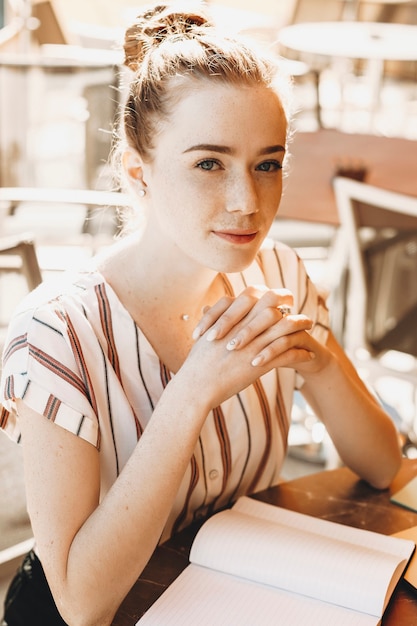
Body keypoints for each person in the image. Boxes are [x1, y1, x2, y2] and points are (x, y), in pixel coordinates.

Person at [0, 3, 401, 625]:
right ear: (139, 174)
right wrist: (190, 395)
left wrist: (319, 366)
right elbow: (82, 604)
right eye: (209, 164)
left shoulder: (281, 274)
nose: (248, 202)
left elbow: (384, 465)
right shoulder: (57, 332)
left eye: (267, 164)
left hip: (242, 590)